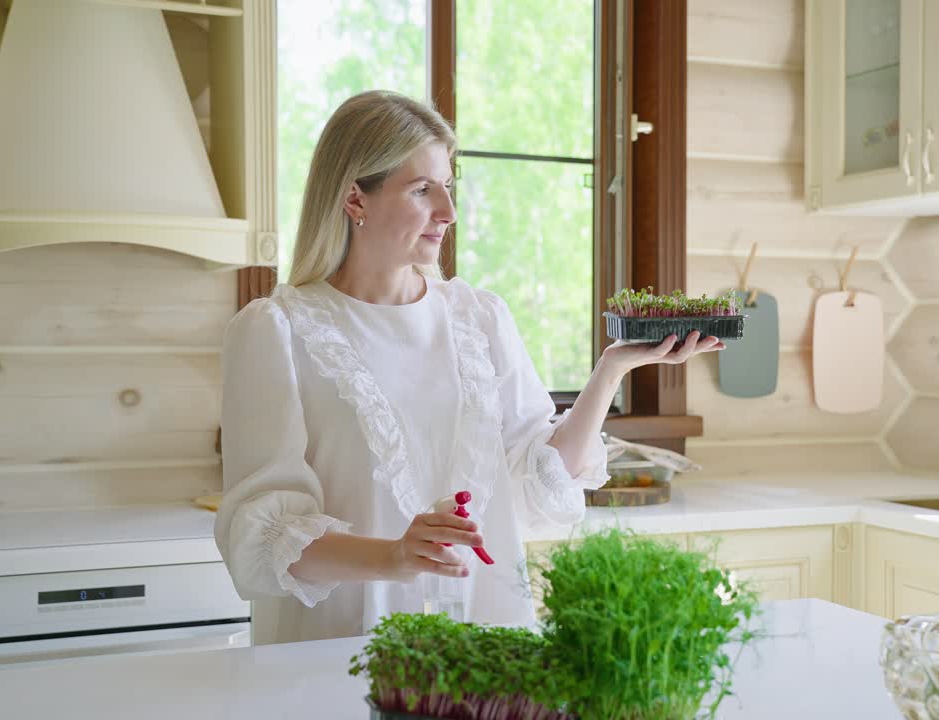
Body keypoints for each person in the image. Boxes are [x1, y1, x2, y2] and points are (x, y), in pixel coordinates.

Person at [215, 90, 724, 644]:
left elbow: (537, 486)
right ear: (355, 199)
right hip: (337, 649)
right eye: (422, 190)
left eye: (448, 188)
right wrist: (394, 557)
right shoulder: (276, 330)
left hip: (482, 639)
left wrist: (610, 372)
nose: (449, 214)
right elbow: (263, 536)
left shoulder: (478, 319)